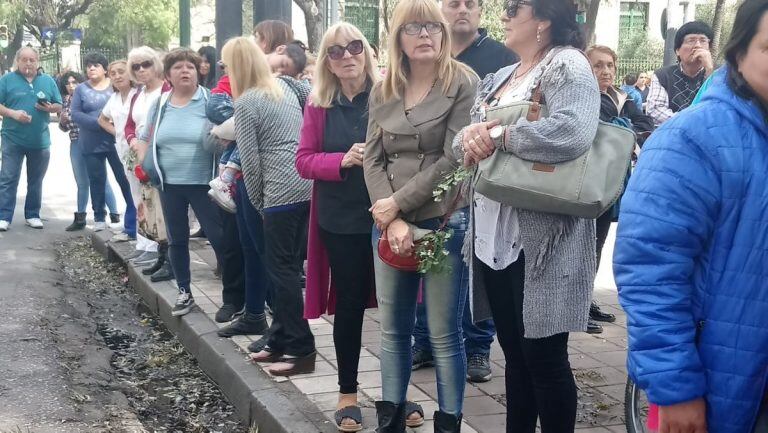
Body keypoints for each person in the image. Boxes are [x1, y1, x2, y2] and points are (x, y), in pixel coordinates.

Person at [614, 0, 768, 431]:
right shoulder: (692, 138)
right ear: (740, 53)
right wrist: (676, 388)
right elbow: (650, 270)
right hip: (732, 386)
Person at [455, 0, 600, 430]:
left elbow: (573, 131)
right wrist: (471, 140)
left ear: (543, 18)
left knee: (545, 359)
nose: (503, 14)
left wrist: (499, 135)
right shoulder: (499, 77)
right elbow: (462, 140)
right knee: (515, 356)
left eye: (513, 6)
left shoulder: (567, 65)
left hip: (542, 239)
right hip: (492, 236)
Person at [363, 1, 477, 431]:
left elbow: (454, 157)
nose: (425, 34)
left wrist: (398, 206)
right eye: (413, 28)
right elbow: (372, 159)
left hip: (445, 220)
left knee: (445, 335)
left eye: (432, 25)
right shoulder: (383, 88)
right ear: (399, 39)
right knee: (392, 332)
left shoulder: (464, 83)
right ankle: (390, 420)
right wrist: (389, 217)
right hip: (390, 223)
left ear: (444, 33)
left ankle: (447, 423)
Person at [407, 0, 519, 385]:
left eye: (471, 4)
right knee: (429, 262)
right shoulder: (425, 56)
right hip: (429, 180)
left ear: (480, 11)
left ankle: (477, 348)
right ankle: (424, 340)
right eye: (453, 3)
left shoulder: (503, 58)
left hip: (480, 184)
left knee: (474, 267)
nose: (462, 11)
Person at [295, 23, 379, 433]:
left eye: (354, 47)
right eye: (335, 51)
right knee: (349, 304)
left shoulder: (388, 97)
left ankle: (397, 392)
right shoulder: (318, 104)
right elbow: (304, 160)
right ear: (325, 60)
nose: (347, 56)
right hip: (340, 219)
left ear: (367, 52)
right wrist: (342, 160)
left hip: (390, 214)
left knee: (402, 309)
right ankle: (348, 391)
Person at [222, 37, 316, 377]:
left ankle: (301, 347)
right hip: (307, 184)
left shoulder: (246, 102)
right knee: (288, 269)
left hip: (279, 192)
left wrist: (260, 202)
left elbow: (249, 160)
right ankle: (278, 337)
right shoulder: (287, 86)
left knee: (282, 272)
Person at [133, 48, 226, 317]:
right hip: (169, 183)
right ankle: (184, 292)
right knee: (177, 240)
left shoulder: (210, 101)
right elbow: (144, 136)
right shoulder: (160, 104)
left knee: (220, 239)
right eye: (178, 67)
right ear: (168, 75)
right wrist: (143, 163)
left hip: (204, 185)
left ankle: (235, 296)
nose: (185, 71)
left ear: (198, 72)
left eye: (190, 67)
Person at [585, 45, 653, 335]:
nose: (606, 71)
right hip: (586, 184)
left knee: (597, 246)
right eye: (599, 65)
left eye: (610, 65)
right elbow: (605, 130)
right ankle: (575, 308)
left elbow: (644, 124)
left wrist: (622, 130)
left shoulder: (622, 98)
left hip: (612, 184)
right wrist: (624, 130)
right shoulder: (586, 97)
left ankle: (586, 301)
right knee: (582, 249)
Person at [207, 42, 307, 213]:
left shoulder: (252, 97)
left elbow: (248, 156)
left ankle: (225, 175)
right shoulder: (283, 87)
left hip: (270, 187)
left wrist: (259, 204)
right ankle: (225, 175)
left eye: (227, 66)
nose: (225, 71)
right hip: (281, 184)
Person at [71, 52, 136, 238]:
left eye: (96, 65)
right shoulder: (81, 89)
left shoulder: (115, 88)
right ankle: (99, 217)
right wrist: (98, 124)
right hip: (91, 142)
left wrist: (111, 127)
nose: (91, 68)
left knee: (125, 180)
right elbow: (75, 113)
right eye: (89, 65)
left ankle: (132, 217)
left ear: (104, 69)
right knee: (96, 180)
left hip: (117, 143)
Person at [0, 47, 62, 231]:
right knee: (8, 178)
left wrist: (49, 108)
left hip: (40, 141)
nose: (28, 63)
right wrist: (13, 113)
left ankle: (33, 215)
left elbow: (59, 105)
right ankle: (4, 216)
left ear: (37, 61)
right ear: (17, 61)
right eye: (24, 59)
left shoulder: (48, 81)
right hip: (12, 138)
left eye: (32, 60)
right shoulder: (6, 80)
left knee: (35, 180)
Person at [125, 46, 170, 267]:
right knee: (139, 200)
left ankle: (157, 247)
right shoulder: (137, 94)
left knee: (155, 203)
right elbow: (129, 125)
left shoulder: (166, 91)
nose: (141, 70)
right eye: (136, 66)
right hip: (136, 154)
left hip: (156, 154)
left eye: (146, 64)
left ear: (156, 65)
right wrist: (133, 139)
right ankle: (144, 244)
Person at [58, 70, 120, 231]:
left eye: (74, 82)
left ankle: (114, 215)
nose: (71, 86)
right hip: (75, 142)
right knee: (82, 182)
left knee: (101, 180)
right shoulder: (67, 101)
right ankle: (80, 217)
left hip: (93, 141)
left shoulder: (90, 95)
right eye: (68, 83)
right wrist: (63, 121)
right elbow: (64, 127)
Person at [99, 60, 142, 245]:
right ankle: (134, 229)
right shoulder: (114, 98)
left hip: (139, 148)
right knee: (132, 190)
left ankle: (139, 231)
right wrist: (118, 133)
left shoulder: (139, 95)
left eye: (121, 72)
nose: (117, 76)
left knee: (141, 191)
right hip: (123, 150)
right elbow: (101, 119)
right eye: (113, 73)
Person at [647, 21, 715, 126]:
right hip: (673, 135)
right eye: (691, 40)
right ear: (677, 50)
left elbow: (721, 106)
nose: (697, 46)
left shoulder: (721, 74)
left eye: (703, 41)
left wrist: (710, 69)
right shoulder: (663, 75)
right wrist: (691, 122)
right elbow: (655, 111)